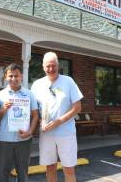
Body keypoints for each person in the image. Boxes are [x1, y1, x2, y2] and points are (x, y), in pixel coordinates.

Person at [31, 52, 83, 182]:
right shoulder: (37, 85)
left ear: (58, 66)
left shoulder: (68, 81)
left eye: (53, 65)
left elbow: (77, 108)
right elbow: (34, 111)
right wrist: (40, 122)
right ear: (43, 67)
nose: (51, 69)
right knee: (50, 168)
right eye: (48, 66)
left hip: (66, 133)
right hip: (46, 133)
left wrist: (58, 122)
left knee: (69, 169)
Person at [0, 63, 39, 182]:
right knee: (3, 174)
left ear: (21, 76)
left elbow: (35, 116)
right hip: (4, 140)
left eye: (16, 76)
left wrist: (30, 132)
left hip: (23, 140)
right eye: (11, 76)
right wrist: (3, 109)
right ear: (6, 77)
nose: (13, 79)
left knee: (22, 174)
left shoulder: (29, 94)